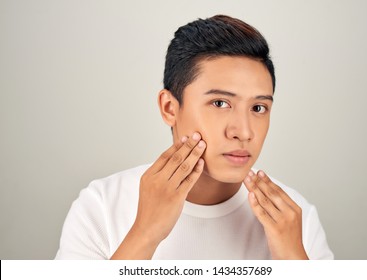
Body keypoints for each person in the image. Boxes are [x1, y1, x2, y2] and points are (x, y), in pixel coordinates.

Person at [55, 15, 333, 260]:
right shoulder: (102, 206)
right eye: (220, 103)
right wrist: (144, 233)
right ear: (169, 108)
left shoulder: (297, 219)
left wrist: (294, 261)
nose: (244, 132)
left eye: (258, 108)